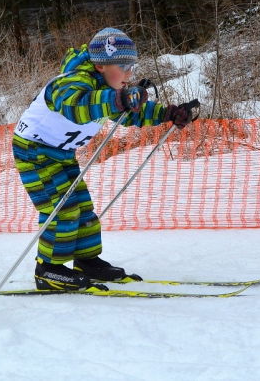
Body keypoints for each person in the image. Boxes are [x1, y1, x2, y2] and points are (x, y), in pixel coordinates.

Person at [12, 27, 195, 291]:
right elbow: (78, 105)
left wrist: (168, 113)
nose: (129, 73)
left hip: (61, 153)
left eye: (132, 65)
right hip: (34, 151)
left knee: (82, 208)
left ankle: (86, 261)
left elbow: (128, 113)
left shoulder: (106, 87)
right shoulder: (71, 82)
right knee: (63, 209)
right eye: (123, 65)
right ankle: (48, 269)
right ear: (100, 65)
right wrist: (119, 99)